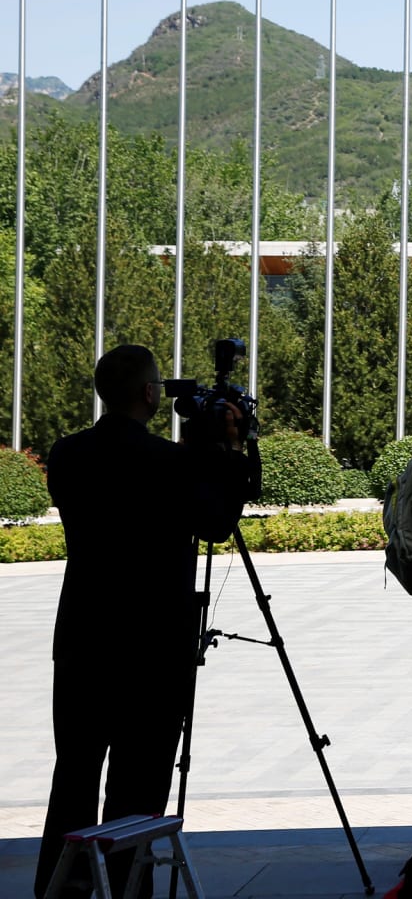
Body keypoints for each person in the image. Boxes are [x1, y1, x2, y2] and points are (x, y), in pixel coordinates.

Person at [35, 345, 248, 899]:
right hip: (153, 643)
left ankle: (60, 885)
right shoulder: (169, 461)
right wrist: (228, 450)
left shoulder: (67, 454)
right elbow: (216, 522)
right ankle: (127, 887)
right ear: (151, 394)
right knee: (139, 778)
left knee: (75, 771)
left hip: (83, 634)